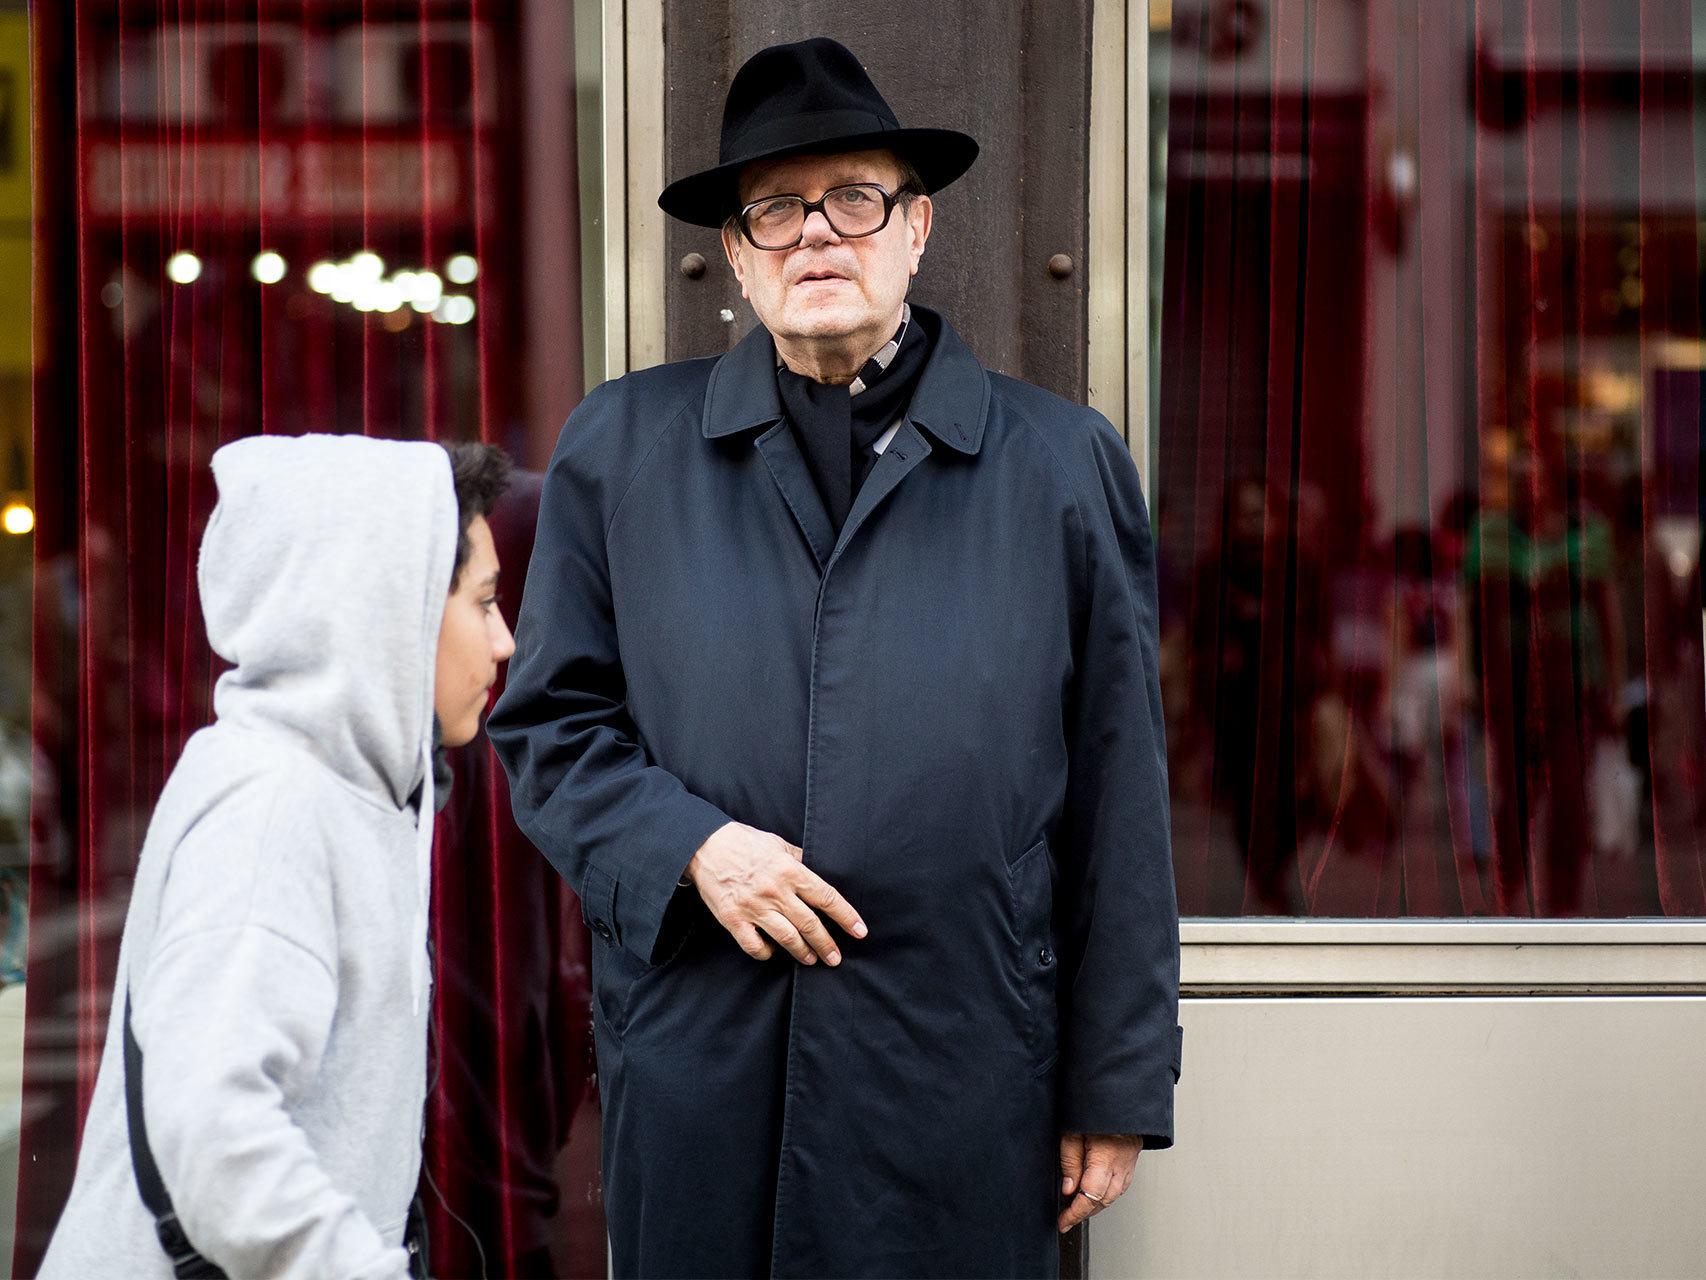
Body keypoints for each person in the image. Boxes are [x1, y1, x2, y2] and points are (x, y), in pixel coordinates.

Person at [490, 36, 1181, 1278]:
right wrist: (691, 846)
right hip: (708, 1063)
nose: (816, 234)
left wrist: (1114, 1078)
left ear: (915, 229)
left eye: (852, 199)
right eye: (773, 209)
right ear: (738, 258)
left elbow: (1120, 787)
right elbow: (548, 730)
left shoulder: (1060, 463)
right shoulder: (619, 450)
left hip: (965, 1072)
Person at [40, 434, 515, 1279]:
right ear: (388, 608)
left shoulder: (354, 786)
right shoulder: (272, 807)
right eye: (483, 604)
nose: (505, 640)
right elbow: (217, 1141)